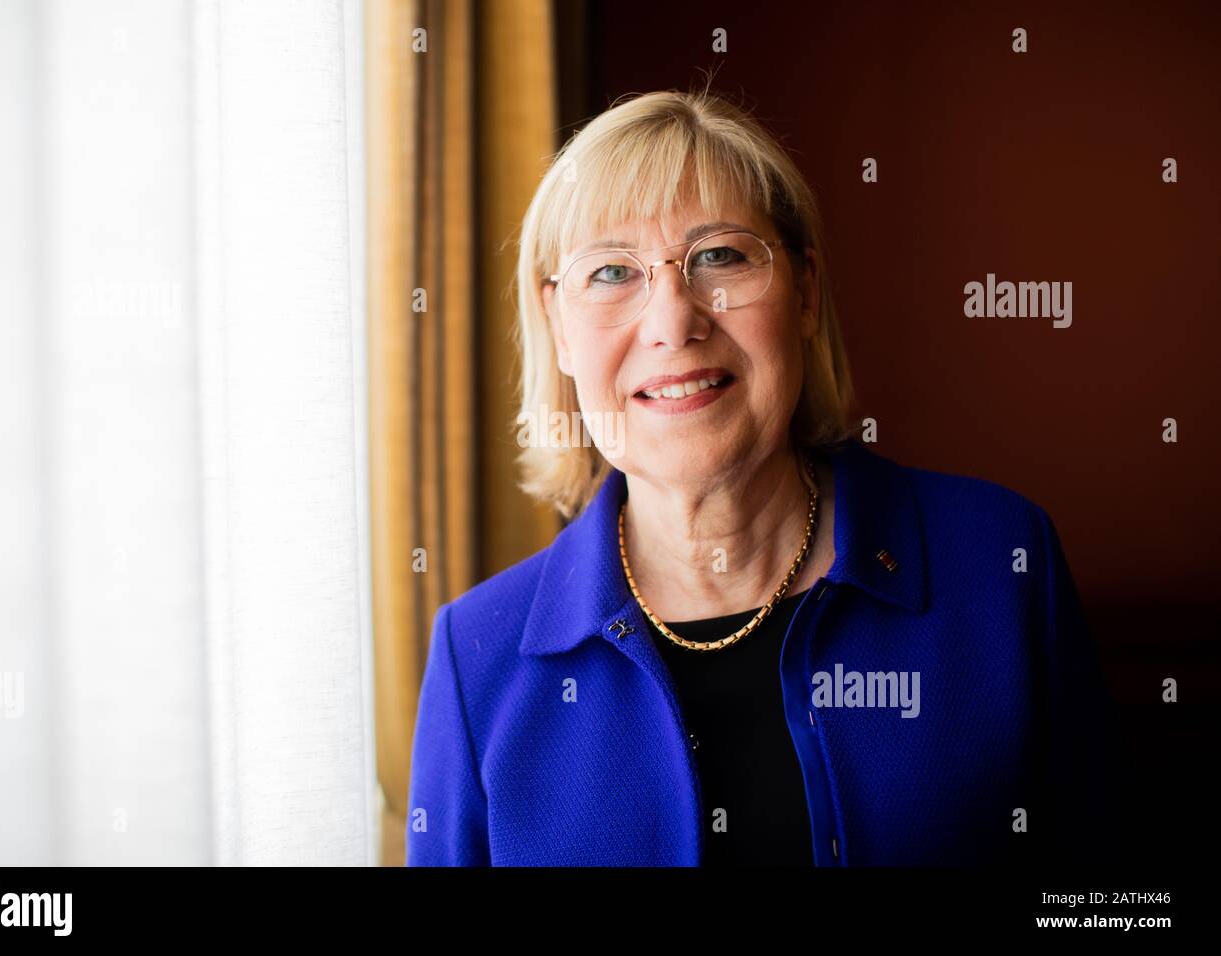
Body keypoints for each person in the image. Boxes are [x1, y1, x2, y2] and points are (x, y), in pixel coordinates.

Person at [405, 87, 1124, 866]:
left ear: (806, 293)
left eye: (720, 255)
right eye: (613, 272)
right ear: (558, 330)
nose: (674, 321)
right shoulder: (477, 654)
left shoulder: (1002, 563)